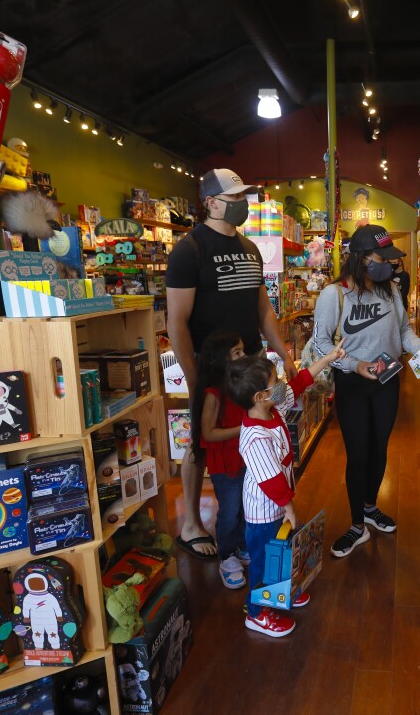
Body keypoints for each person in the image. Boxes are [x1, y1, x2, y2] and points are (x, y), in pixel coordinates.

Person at [166, 168, 297, 559]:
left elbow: (264, 310)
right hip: (211, 365)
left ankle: (242, 524)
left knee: (250, 438)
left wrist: (284, 354)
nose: (242, 204)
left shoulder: (250, 248)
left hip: (250, 360)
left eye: (243, 197)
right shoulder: (189, 250)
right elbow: (177, 321)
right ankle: (192, 522)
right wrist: (195, 377)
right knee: (201, 443)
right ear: (210, 202)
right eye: (234, 198)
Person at [312, 225, 420, 558]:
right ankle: (355, 525)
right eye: (382, 259)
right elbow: (321, 343)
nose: (389, 266)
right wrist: (354, 365)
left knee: (380, 449)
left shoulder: (390, 289)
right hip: (352, 383)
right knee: (359, 453)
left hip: (387, 378)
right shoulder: (334, 294)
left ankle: (369, 507)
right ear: (362, 259)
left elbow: (404, 332)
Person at [224, 344, 345, 637]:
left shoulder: (272, 407)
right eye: (274, 382)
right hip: (265, 511)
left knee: (282, 549)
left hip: (278, 504)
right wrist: (290, 509)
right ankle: (257, 613)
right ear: (259, 397)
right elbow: (271, 481)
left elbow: (300, 382)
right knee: (265, 558)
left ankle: (279, 592)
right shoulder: (254, 436)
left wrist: (328, 359)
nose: (280, 384)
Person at [196, 330, 248, 589]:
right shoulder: (214, 393)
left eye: (242, 350)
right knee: (229, 511)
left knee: (244, 506)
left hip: (243, 457)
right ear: (220, 360)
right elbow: (208, 432)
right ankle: (226, 555)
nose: (243, 356)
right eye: (237, 353)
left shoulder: (238, 384)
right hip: (225, 464)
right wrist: (244, 428)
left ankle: (239, 545)